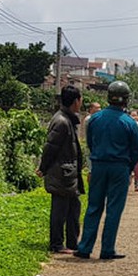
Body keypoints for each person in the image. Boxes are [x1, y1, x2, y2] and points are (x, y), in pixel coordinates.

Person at [73, 81, 138, 260]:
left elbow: (90, 143)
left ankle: (85, 247)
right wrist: (128, 168)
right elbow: (135, 151)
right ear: (126, 100)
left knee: (94, 206)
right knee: (114, 209)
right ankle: (107, 249)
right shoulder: (130, 123)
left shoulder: (94, 119)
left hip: (99, 166)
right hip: (119, 168)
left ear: (108, 97)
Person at [37, 85, 85, 254]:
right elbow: (50, 147)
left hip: (68, 173)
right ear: (75, 101)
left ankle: (73, 243)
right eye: (80, 99)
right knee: (60, 210)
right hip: (61, 173)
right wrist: (43, 168)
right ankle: (57, 244)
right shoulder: (62, 122)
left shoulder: (68, 119)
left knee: (73, 209)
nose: (81, 103)